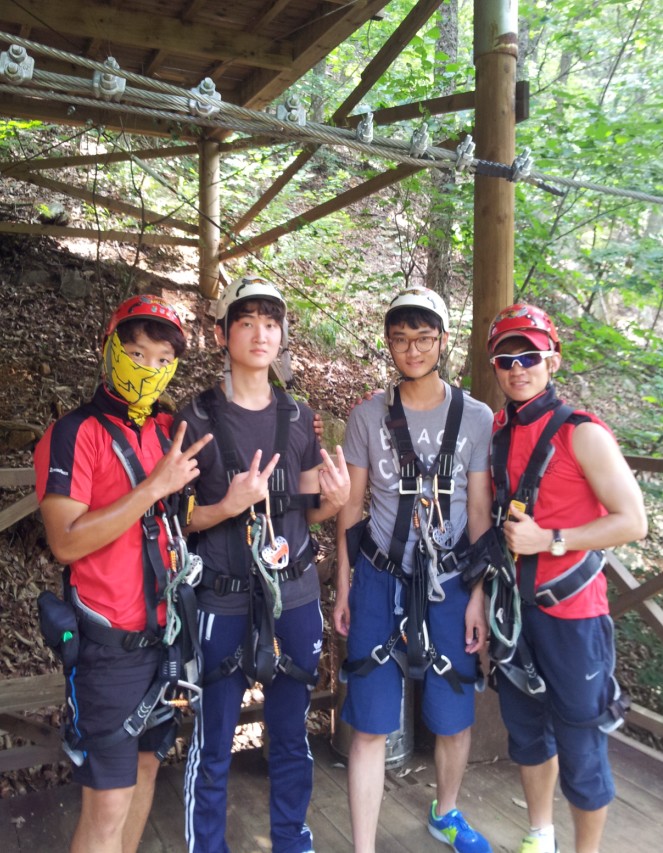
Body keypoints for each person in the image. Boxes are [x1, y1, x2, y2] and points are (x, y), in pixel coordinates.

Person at [177, 274, 350, 853]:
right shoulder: (196, 416)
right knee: (214, 738)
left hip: (293, 594)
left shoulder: (298, 416)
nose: (260, 334)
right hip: (222, 596)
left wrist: (336, 501)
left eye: (271, 323)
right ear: (222, 334)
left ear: (282, 336)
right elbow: (175, 521)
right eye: (247, 322)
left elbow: (309, 509)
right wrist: (227, 506)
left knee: (290, 733)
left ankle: (291, 840)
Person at [33, 294, 212, 853]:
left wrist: (232, 503)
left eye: (163, 360)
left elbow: (175, 517)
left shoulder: (165, 430)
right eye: (136, 353)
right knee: (108, 802)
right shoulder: (74, 433)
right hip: (108, 646)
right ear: (108, 349)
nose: (148, 369)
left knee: (147, 772)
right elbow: (65, 541)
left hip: (165, 638)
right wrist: (152, 487)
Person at [334, 286, 494, 853]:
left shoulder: (475, 418)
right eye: (400, 340)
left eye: (424, 339)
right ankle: (363, 845)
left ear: (442, 341)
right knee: (370, 721)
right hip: (380, 578)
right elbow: (350, 510)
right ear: (388, 344)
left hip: (449, 582)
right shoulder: (367, 416)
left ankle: (445, 812)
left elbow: (479, 514)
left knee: (453, 712)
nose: (412, 350)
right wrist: (345, 587)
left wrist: (478, 596)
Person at [485, 303, 648, 853]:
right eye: (506, 359)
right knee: (527, 733)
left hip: (573, 615)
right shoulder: (500, 431)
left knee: (581, 741)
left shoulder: (582, 433)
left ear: (552, 361)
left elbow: (634, 521)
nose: (518, 368)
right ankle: (541, 834)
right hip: (514, 612)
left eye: (529, 356)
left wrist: (552, 539)